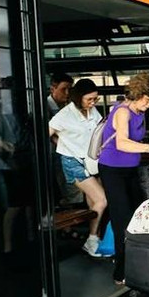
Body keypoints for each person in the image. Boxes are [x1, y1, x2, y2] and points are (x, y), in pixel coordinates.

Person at [98, 73, 149, 284]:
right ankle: (121, 273)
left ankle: (137, 264)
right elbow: (122, 143)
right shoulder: (122, 112)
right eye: (148, 99)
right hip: (112, 170)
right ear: (137, 94)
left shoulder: (139, 111)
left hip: (130, 169)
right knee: (122, 221)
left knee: (137, 216)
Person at [48, 79, 108, 257]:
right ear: (78, 98)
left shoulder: (92, 110)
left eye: (95, 99)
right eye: (89, 99)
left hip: (91, 160)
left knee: (93, 203)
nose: (93, 102)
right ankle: (91, 240)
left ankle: (95, 239)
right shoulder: (64, 115)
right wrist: (61, 144)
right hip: (73, 163)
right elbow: (46, 133)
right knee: (102, 199)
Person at [47, 72, 81, 207]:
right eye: (63, 89)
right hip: (56, 155)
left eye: (69, 89)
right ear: (52, 89)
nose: (67, 93)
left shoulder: (68, 107)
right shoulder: (46, 108)